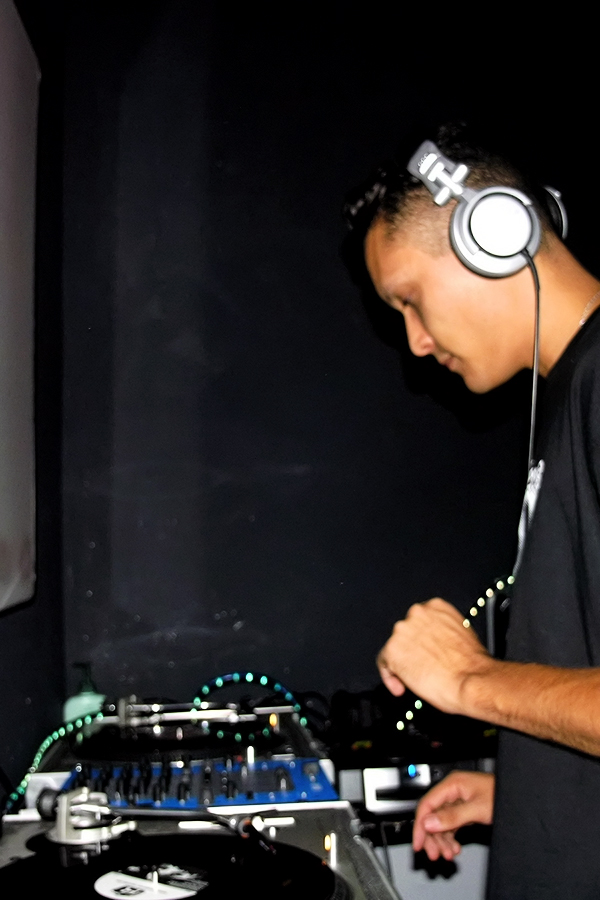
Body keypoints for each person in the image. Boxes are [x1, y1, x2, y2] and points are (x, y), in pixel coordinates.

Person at [344, 124, 600, 899]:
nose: (415, 343)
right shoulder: (569, 397)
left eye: (410, 300)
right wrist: (533, 796)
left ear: (495, 234)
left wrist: (470, 677)